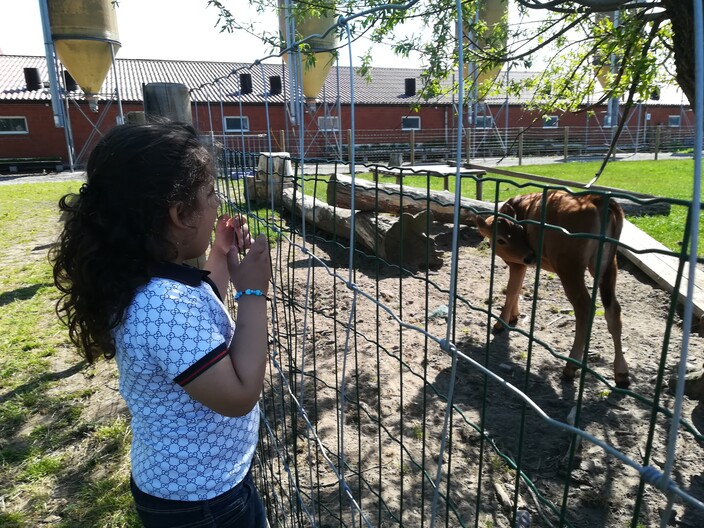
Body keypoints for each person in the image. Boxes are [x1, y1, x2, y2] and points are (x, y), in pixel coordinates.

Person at [50, 122, 271, 527]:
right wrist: (254, 294)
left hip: (193, 486)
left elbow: (199, 323)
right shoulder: (163, 305)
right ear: (180, 214)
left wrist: (220, 255)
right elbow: (239, 395)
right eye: (211, 194)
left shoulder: (149, 281)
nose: (218, 202)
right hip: (203, 503)